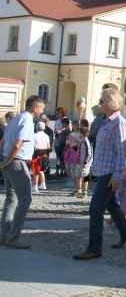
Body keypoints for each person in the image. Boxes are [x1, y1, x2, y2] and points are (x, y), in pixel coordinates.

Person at [73, 89, 126, 260]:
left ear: (109, 102)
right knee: (111, 205)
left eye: (101, 101)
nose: (99, 104)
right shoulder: (105, 121)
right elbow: (101, 148)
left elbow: (122, 152)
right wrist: (93, 167)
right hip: (102, 170)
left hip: (110, 173)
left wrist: (117, 176)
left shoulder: (119, 123)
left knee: (95, 209)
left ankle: (94, 248)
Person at [0, 95, 45, 249]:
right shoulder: (26, 120)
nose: (42, 111)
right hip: (16, 162)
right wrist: (6, 162)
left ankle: (4, 235)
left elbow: (4, 142)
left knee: (11, 199)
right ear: (35, 108)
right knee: (25, 199)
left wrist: (3, 161)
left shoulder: (15, 119)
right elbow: (18, 144)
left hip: (9, 161)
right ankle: (13, 237)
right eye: (41, 108)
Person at [31, 121, 51, 193]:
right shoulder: (46, 136)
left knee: (35, 171)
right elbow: (49, 146)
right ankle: (43, 184)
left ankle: (35, 186)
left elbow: (32, 145)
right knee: (41, 170)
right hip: (45, 153)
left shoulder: (34, 135)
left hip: (37, 153)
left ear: (36, 128)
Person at [76, 127, 93, 198]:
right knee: (78, 176)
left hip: (84, 163)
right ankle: (79, 190)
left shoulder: (86, 142)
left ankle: (85, 192)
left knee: (85, 178)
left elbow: (89, 153)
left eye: (79, 133)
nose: (78, 134)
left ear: (82, 134)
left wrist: (86, 162)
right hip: (79, 162)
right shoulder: (81, 141)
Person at [53, 107, 67, 177]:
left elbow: (68, 129)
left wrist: (61, 131)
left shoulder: (67, 120)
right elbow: (54, 130)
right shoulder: (57, 121)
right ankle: (57, 171)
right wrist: (56, 131)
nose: (57, 115)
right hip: (57, 141)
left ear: (62, 113)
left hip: (63, 141)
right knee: (57, 157)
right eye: (56, 113)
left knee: (63, 157)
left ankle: (62, 171)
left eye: (58, 113)